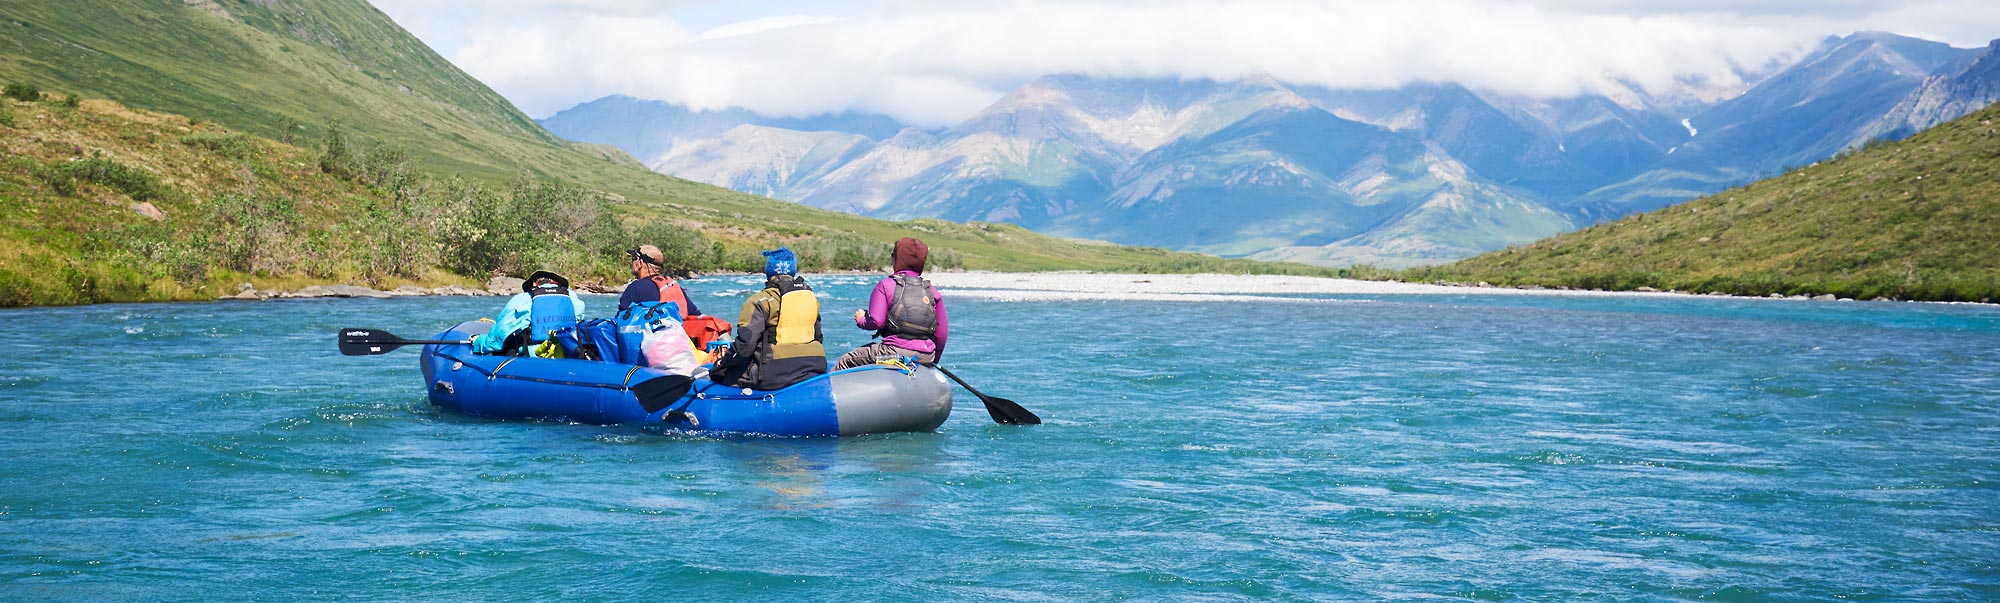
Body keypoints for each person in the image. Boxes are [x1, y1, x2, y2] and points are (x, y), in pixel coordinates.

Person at [711, 247, 827, 390]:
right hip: (814, 367)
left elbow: (744, 347)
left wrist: (723, 364)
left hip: (773, 374)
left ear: (768, 273)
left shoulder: (760, 301)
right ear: (793, 271)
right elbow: (819, 338)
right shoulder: (812, 300)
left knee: (721, 376)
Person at [833, 237, 948, 370]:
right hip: (926, 356)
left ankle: (825, 390)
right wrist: (933, 360)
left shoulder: (886, 286)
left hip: (893, 354)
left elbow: (876, 322)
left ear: (897, 259)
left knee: (845, 361)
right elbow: (942, 334)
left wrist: (861, 320)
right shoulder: (932, 291)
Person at [472, 270, 588, 355]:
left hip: (532, 359)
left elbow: (494, 342)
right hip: (566, 354)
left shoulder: (523, 299)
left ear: (534, 284)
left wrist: (477, 342)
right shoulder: (574, 299)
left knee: (507, 343)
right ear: (557, 283)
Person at [616, 244, 702, 318]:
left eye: (634, 259)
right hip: (677, 335)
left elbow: (620, 320)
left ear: (640, 263)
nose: (632, 262)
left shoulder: (635, 288)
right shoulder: (673, 285)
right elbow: (695, 315)